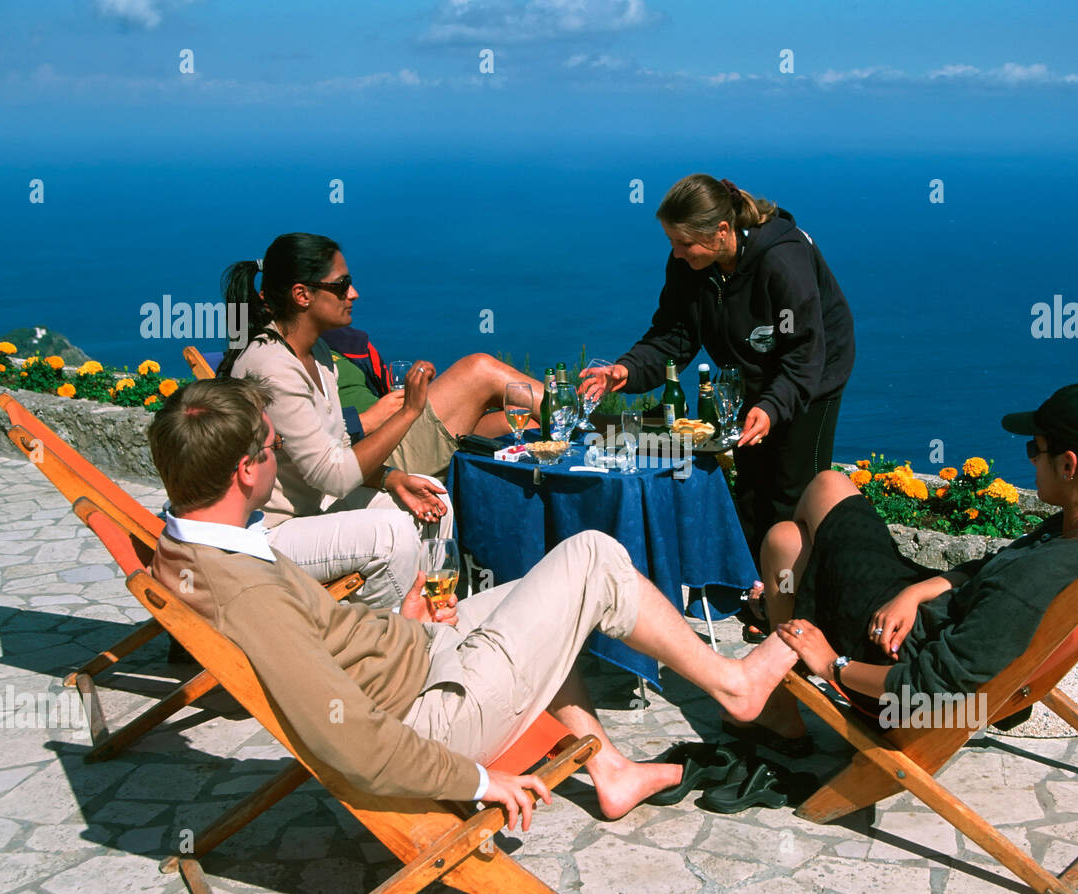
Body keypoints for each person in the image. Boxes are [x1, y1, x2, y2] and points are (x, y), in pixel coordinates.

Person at [146, 377, 801, 826]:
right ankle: (736, 684)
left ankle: (613, 771)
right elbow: (354, 741)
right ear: (244, 471)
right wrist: (481, 782)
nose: (279, 448)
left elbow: (327, 648)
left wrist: (398, 627)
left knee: (544, 598)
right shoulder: (248, 594)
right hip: (432, 719)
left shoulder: (189, 544)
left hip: (415, 663)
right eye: (270, 445)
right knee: (594, 557)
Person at [749, 383, 1078, 739]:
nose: (1032, 461)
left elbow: (928, 687)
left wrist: (831, 664)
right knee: (786, 542)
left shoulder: (1038, 580)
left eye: (1035, 450)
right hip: (918, 617)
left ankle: (781, 696)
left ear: (1069, 465)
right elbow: (993, 571)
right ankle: (781, 693)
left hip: (888, 658)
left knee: (822, 491)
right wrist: (918, 590)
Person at [214, 233, 541, 607]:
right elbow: (333, 475)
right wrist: (408, 413)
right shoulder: (272, 368)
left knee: (435, 502)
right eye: (341, 286)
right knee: (391, 532)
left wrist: (394, 478)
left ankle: (437, 614)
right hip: (271, 530)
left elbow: (336, 449)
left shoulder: (316, 352)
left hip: (314, 508)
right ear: (302, 295)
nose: (353, 294)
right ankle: (400, 641)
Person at [582, 175, 856, 570]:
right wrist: (627, 369)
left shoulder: (783, 259)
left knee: (793, 491)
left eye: (684, 243)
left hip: (813, 374)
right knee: (750, 485)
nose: (676, 254)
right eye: (672, 242)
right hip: (752, 372)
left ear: (722, 231)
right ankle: (751, 584)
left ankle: (797, 602)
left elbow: (802, 352)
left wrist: (774, 406)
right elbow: (674, 335)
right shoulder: (692, 264)